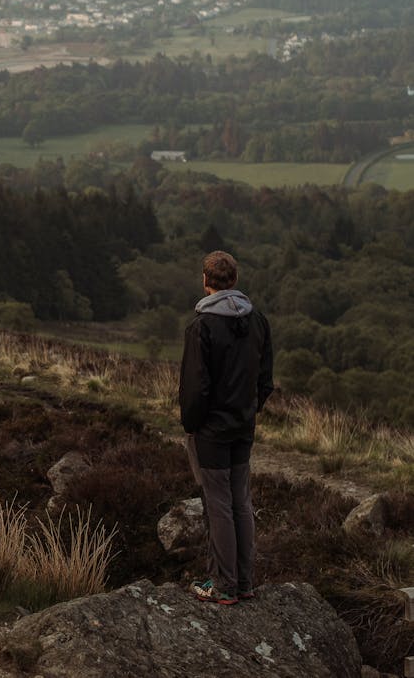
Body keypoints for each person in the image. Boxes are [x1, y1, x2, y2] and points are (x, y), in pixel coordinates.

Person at [180, 251, 274, 605]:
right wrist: (250, 410)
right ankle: (245, 582)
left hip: (211, 431)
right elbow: (265, 379)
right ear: (234, 281)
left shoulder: (200, 327)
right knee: (241, 502)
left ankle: (223, 585)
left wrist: (192, 425)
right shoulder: (258, 320)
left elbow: (195, 388)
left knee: (218, 504)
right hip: (242, 426)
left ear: (206, 281)